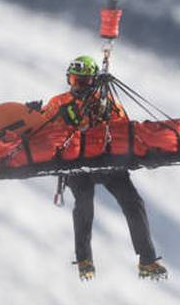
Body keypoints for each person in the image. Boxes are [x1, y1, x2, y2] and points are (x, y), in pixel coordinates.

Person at [43, 55, 167, 281]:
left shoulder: (106, 101)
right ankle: (84, 260)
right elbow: (46, 131)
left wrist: (104, 115)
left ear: (92, 82)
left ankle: (147, 260)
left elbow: (122, 128)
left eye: (83, 82)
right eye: (74, 80)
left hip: (106, 162)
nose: (77, 86)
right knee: (84, 206)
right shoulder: (59, 104)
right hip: (77, 164)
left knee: (133, 203)